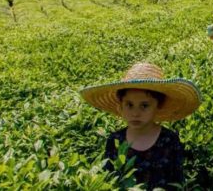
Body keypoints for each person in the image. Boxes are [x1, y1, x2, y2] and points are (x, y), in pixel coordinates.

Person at [80, 62, 202, 190]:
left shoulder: (169, 140)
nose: (135, 113)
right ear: (121, 106)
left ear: (158, 105)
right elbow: (108, 178)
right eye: (129, 105)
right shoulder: (115, 139)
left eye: (144, 106)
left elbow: (176, 181)